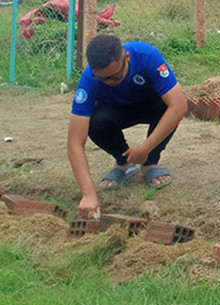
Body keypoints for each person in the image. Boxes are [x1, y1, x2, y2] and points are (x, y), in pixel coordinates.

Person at [68, 34, 186, 220]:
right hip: (116, 111)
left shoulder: (146, 56)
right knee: (95, 121)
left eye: (115, 76)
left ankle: (149, 163)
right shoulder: (89, 79)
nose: (109, 82)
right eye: (103, 79)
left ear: (127, 58)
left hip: (151, 106)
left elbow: (179, 105)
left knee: (168, 107)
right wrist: (88, 194)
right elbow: (75, 142)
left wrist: (146, 148)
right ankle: (124, 162)